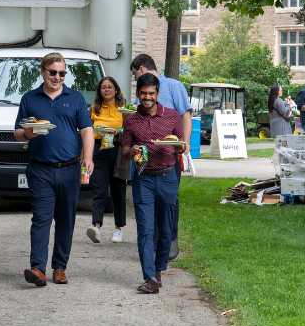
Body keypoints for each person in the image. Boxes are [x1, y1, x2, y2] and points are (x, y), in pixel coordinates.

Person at [16, 51, 94, 287]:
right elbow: (18, 132)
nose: (57, 77)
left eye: (61, 73)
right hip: (40, 169)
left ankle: (59, 267)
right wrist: (29, 132)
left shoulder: (76, 98)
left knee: (65, 220)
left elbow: (86, 130)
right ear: (43, 71)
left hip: (70, 168)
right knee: (41, 219)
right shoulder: (30, 98)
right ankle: (38, 268)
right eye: (53, 72)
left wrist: (87, 157)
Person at [123, 73, 185, 293]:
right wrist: (132, 151)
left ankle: (158, 270)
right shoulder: (130, 120)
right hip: (143, 178)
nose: (147, 97)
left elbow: (181, 145)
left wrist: (179, 147)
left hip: (168, 176)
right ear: (138, 94)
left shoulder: (172, 116)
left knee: (165, 229)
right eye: (143, 93)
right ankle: (149, 277)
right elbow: (124, 152)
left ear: (158, 94)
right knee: (145, 229)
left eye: (151, 94)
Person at [129, 54, 191, 260]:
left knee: (170, 200)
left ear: (142, 69)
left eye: (135, 74)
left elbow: (185, 115)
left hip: (169, 154)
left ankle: (171, 239)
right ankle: (153, 242)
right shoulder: (143, 91)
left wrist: (185, 142)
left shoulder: (174, 86)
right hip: (144, 160)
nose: (135, 79)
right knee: (148, 202)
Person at [86, 76, 128, 244]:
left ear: (116, 90)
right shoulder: (93, 109)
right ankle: (96, 227)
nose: (107, 90)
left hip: (118, 150)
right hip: (99, 150)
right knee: (100, 190)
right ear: (100, 91)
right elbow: (87, 130)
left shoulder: (124, 108)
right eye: (104, 87)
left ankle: (118, 229)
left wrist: (120, 131)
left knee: (118, 191)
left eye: (110, 87)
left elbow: (130, 128)